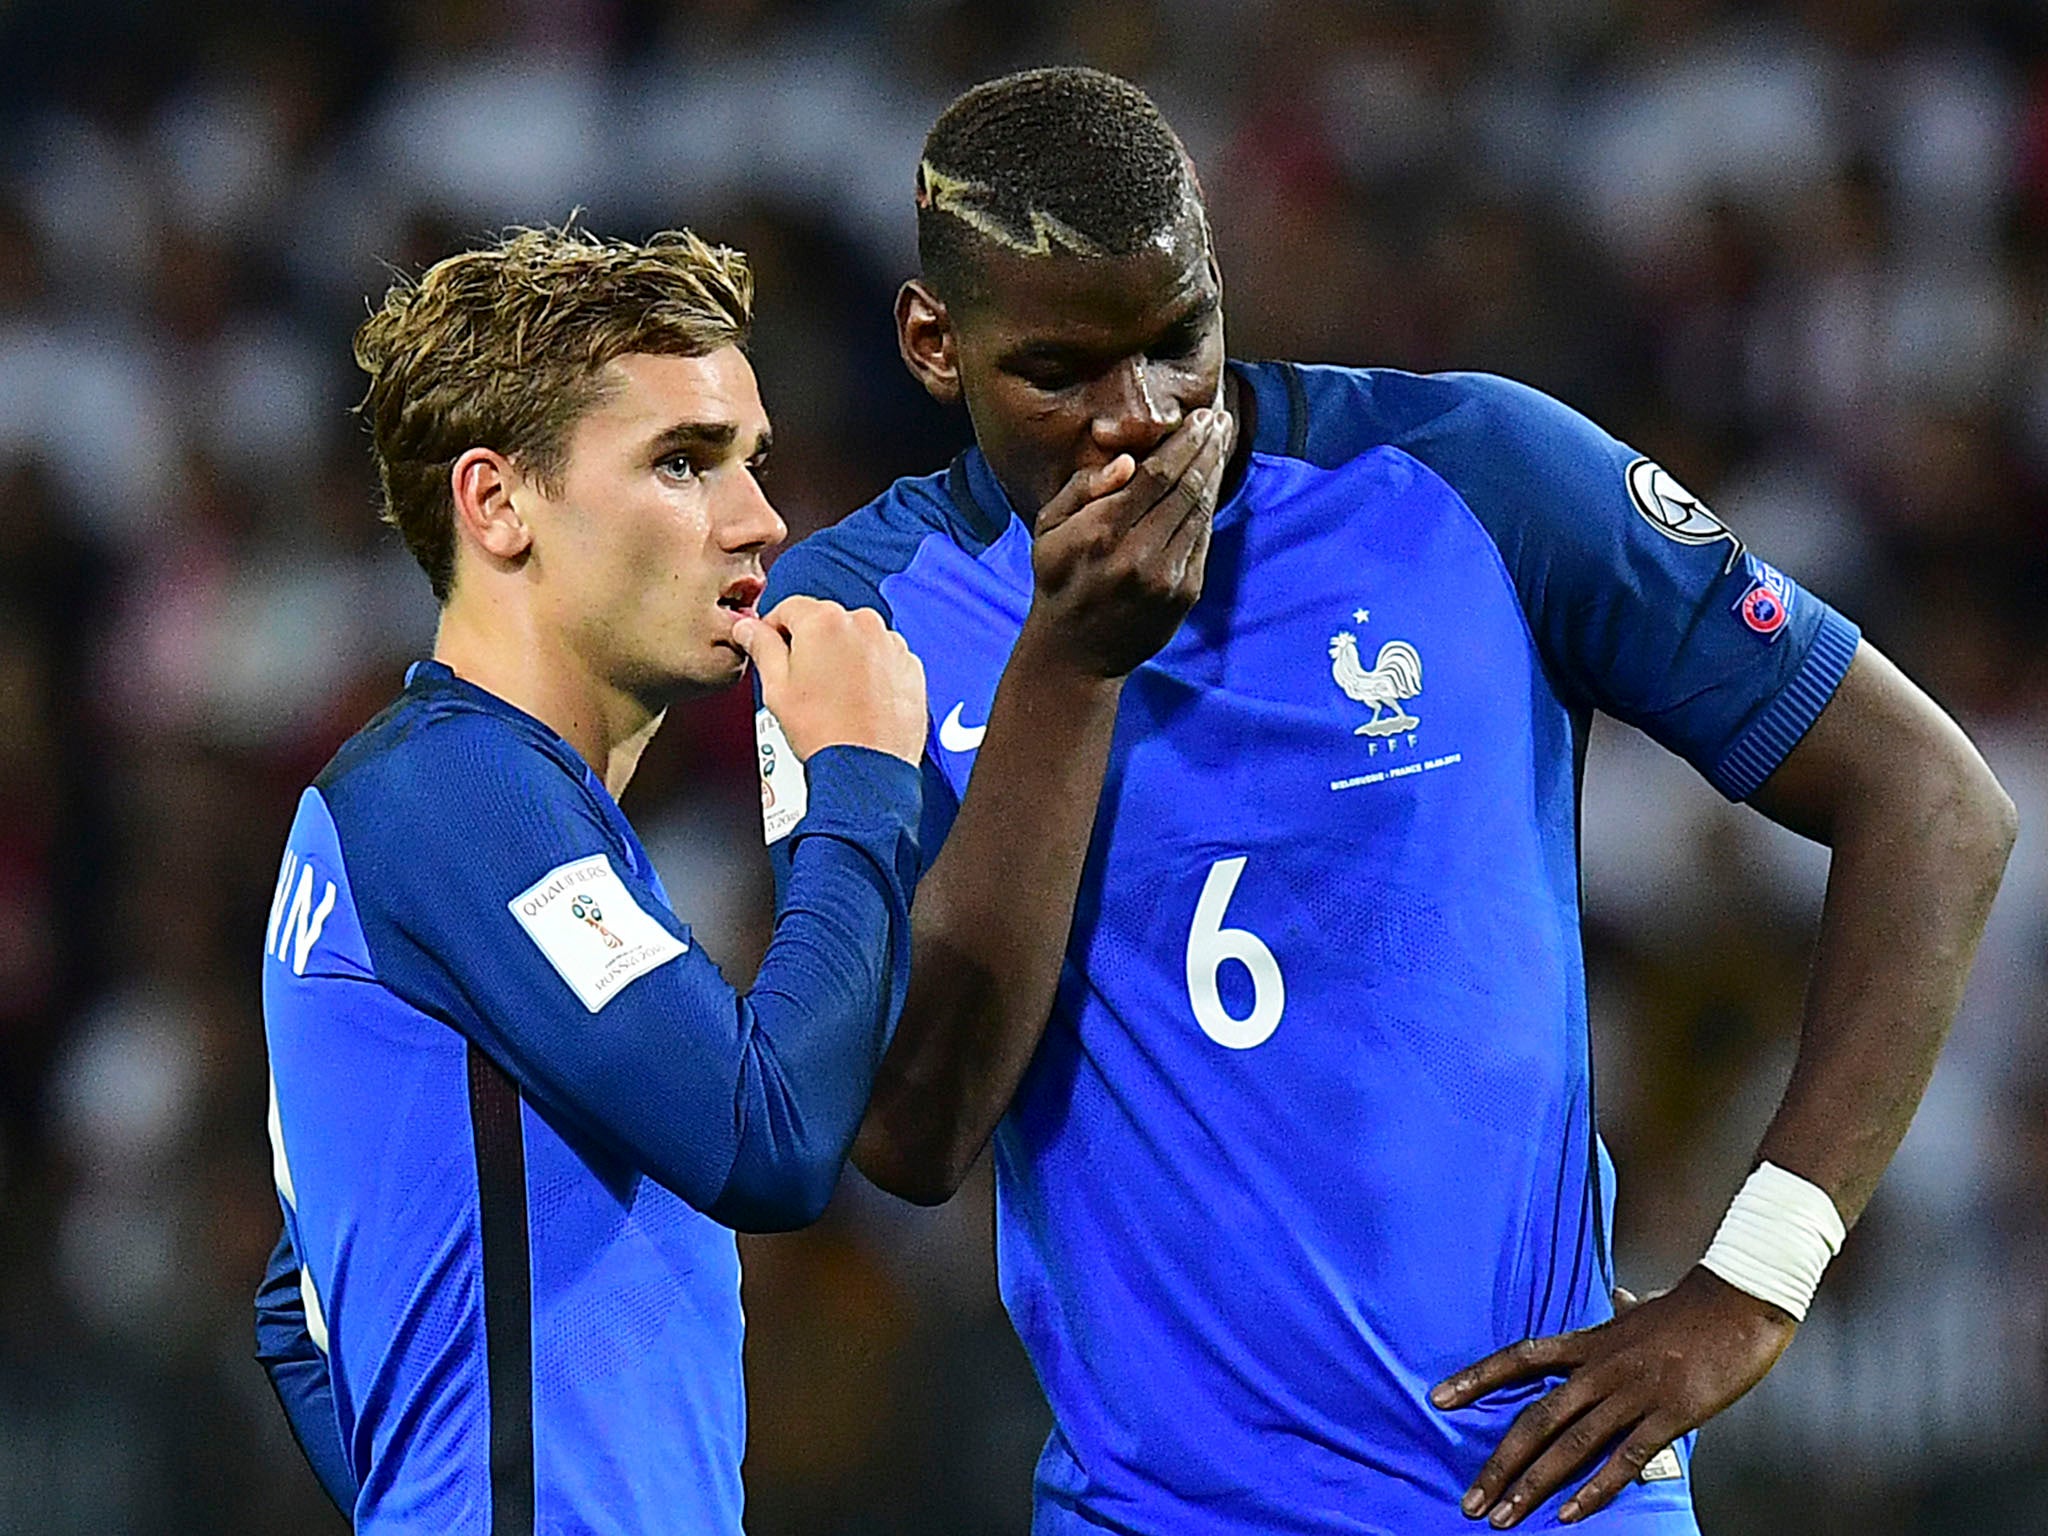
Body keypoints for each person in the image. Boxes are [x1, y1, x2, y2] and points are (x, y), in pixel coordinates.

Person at [758, 68, 2017, 1535]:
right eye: (1062, 373)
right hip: (1158, 1512)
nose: (1142, 421)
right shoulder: (855, 617)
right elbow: (909, 1136)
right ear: (932, 343)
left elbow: (1935, 804)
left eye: (1181, 343)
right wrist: (1070, 670)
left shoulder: (1473, 479)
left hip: (1545, 1500)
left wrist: (1754, 1282)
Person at [253, 225, 927, 1533]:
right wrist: (858, 783)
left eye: (754, 459)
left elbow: (302, 1308)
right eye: (683, 462)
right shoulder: (459, 800)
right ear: (497, 504)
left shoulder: (472, 813)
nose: (761, 519)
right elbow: (768, 1144)